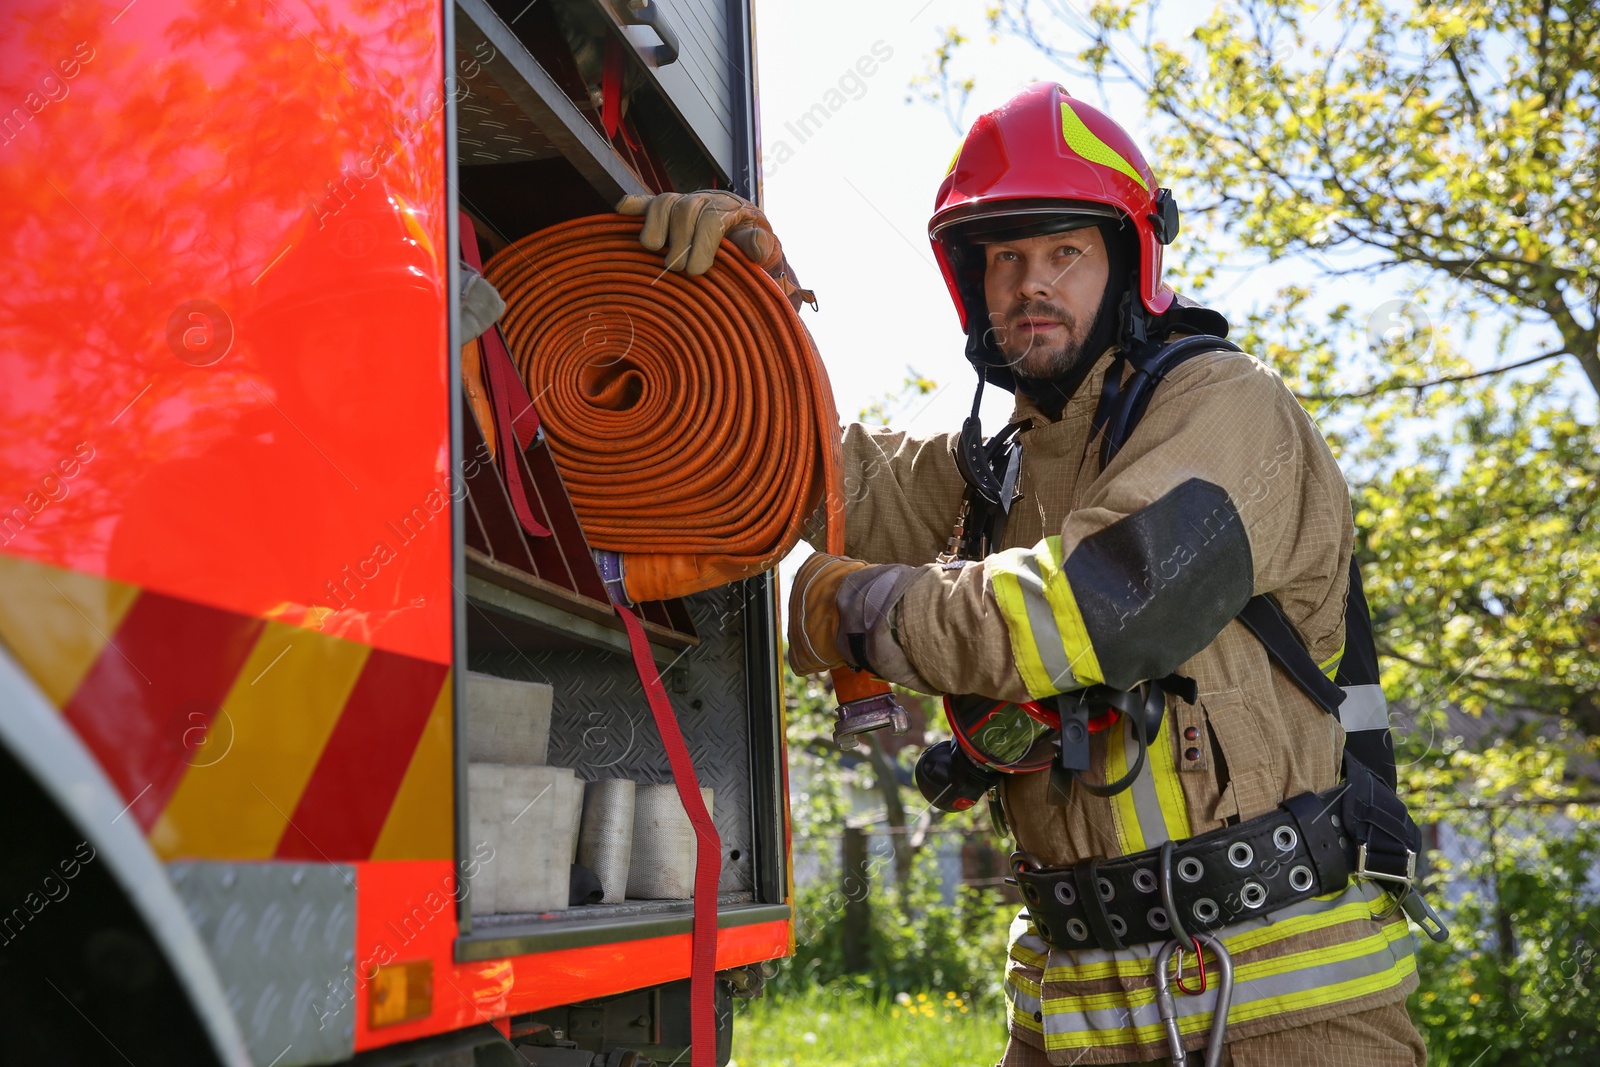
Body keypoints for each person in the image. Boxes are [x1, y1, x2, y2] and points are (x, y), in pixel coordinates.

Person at [626, 82, 1428, 1066]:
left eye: (1062, 251)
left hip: (1277, 1008)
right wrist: (736, 312)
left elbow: (1105, 606)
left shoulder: (1229, 403)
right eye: (1003, 257)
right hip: (1067, 1007)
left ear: (1129, 261)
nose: (1027, 284)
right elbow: (807, 471)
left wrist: (852, 603)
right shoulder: (1004, 460)